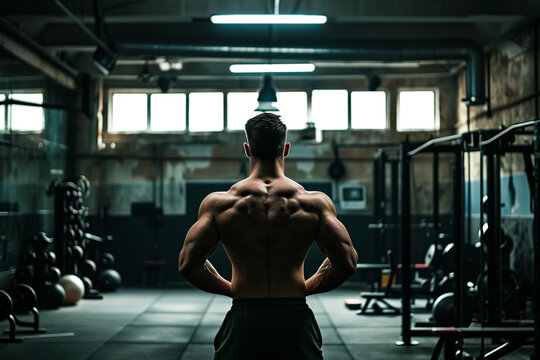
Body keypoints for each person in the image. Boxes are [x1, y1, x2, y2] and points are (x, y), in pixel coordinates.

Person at [178, 113, 358, 360]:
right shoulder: (313, 203)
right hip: (294, 317)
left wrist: (231, 289)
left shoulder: (220, 204)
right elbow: (346, 262)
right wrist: (307, 287)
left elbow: (188, 264)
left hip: (244, 317)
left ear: (247, 149)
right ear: (286, 149)